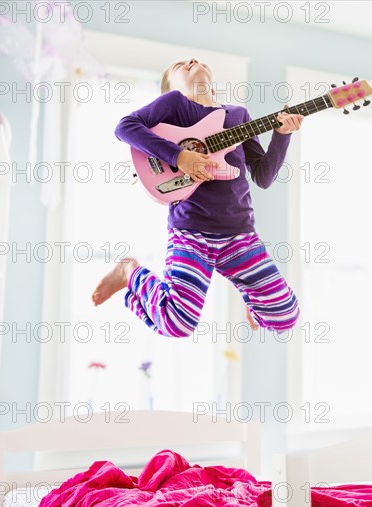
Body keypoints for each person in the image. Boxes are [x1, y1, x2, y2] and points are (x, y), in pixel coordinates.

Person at [91, 58, 303, 338]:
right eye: (180, 65)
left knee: (287, 316)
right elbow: (125, 127)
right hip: (191, 231)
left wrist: (282, 135)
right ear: (170, 86)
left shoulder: (238, 114)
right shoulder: (175, 104)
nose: (192, 61)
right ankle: (128, 271)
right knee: (176, 325)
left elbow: (263, 177)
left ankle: (252, 298)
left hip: (240, 234)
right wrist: (180, 156)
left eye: (197, 61)